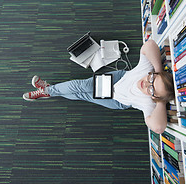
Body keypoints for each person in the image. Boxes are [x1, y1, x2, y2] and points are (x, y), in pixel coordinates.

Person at [23, 39, 174, 134]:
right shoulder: (147, 69)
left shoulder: (150, 104)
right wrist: (158, 72)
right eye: (152, 78)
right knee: (80, 85)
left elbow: (158, 128)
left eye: (151, 89)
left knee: (82, 94)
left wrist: (159, 101)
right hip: (118, 79)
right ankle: (48, 90)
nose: (146, 83)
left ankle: (47, 91)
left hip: (117, 101)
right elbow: (150, 44)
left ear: (155, 97)